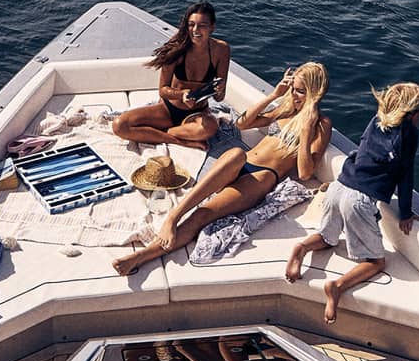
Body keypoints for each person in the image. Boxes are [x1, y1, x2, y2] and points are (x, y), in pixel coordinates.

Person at [112, 62, 331, 276]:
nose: (294, 95)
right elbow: (243, 124)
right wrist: (274, 96)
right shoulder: (285, 110)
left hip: (260, 178)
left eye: (300, 91)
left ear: (314, 93)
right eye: (293, 88)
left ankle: (140, 257)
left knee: (201, 216)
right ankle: (173, 217)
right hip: (241, 162)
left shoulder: (320, 125)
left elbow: (304, 173)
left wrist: (306, 128)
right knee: (236, 153)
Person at [285, 82, 419, 323]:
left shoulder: (376, 121)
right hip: (359, 200)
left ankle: (302, 248)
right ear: (412, 114)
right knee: (376, 262)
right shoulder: (409, 133)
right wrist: (405, 214)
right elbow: (405, 176)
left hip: (338, 188)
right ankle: (338, 286)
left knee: (327, 238)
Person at [110, 1, 229, 149]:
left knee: (210, 128)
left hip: (197, 115)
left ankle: (159, 133)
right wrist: (181, 94)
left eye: (202, 25)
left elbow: (219, 98)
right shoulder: (176, 49)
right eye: (191, 24)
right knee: (119, 125)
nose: (196, 30)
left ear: (212, 27)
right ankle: (179, 140)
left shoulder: (221, 50)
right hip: (168, 111)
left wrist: (220, 89)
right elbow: (163, 90)